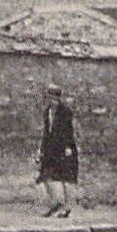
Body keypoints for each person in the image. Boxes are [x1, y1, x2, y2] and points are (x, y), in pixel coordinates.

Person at [37, 85, 78, 217]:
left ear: (58, 99)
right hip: (51, 149)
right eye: (49, 98)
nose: (52, 101)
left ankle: (68, 206)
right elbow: (46, 133)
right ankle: (55, 203)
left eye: (54, 98)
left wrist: (68, 148)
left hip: (64, 148)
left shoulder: (65, 112)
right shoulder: (47, 112)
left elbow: (69, 131)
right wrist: (41, 150)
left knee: (66, 178)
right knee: (45, 175)